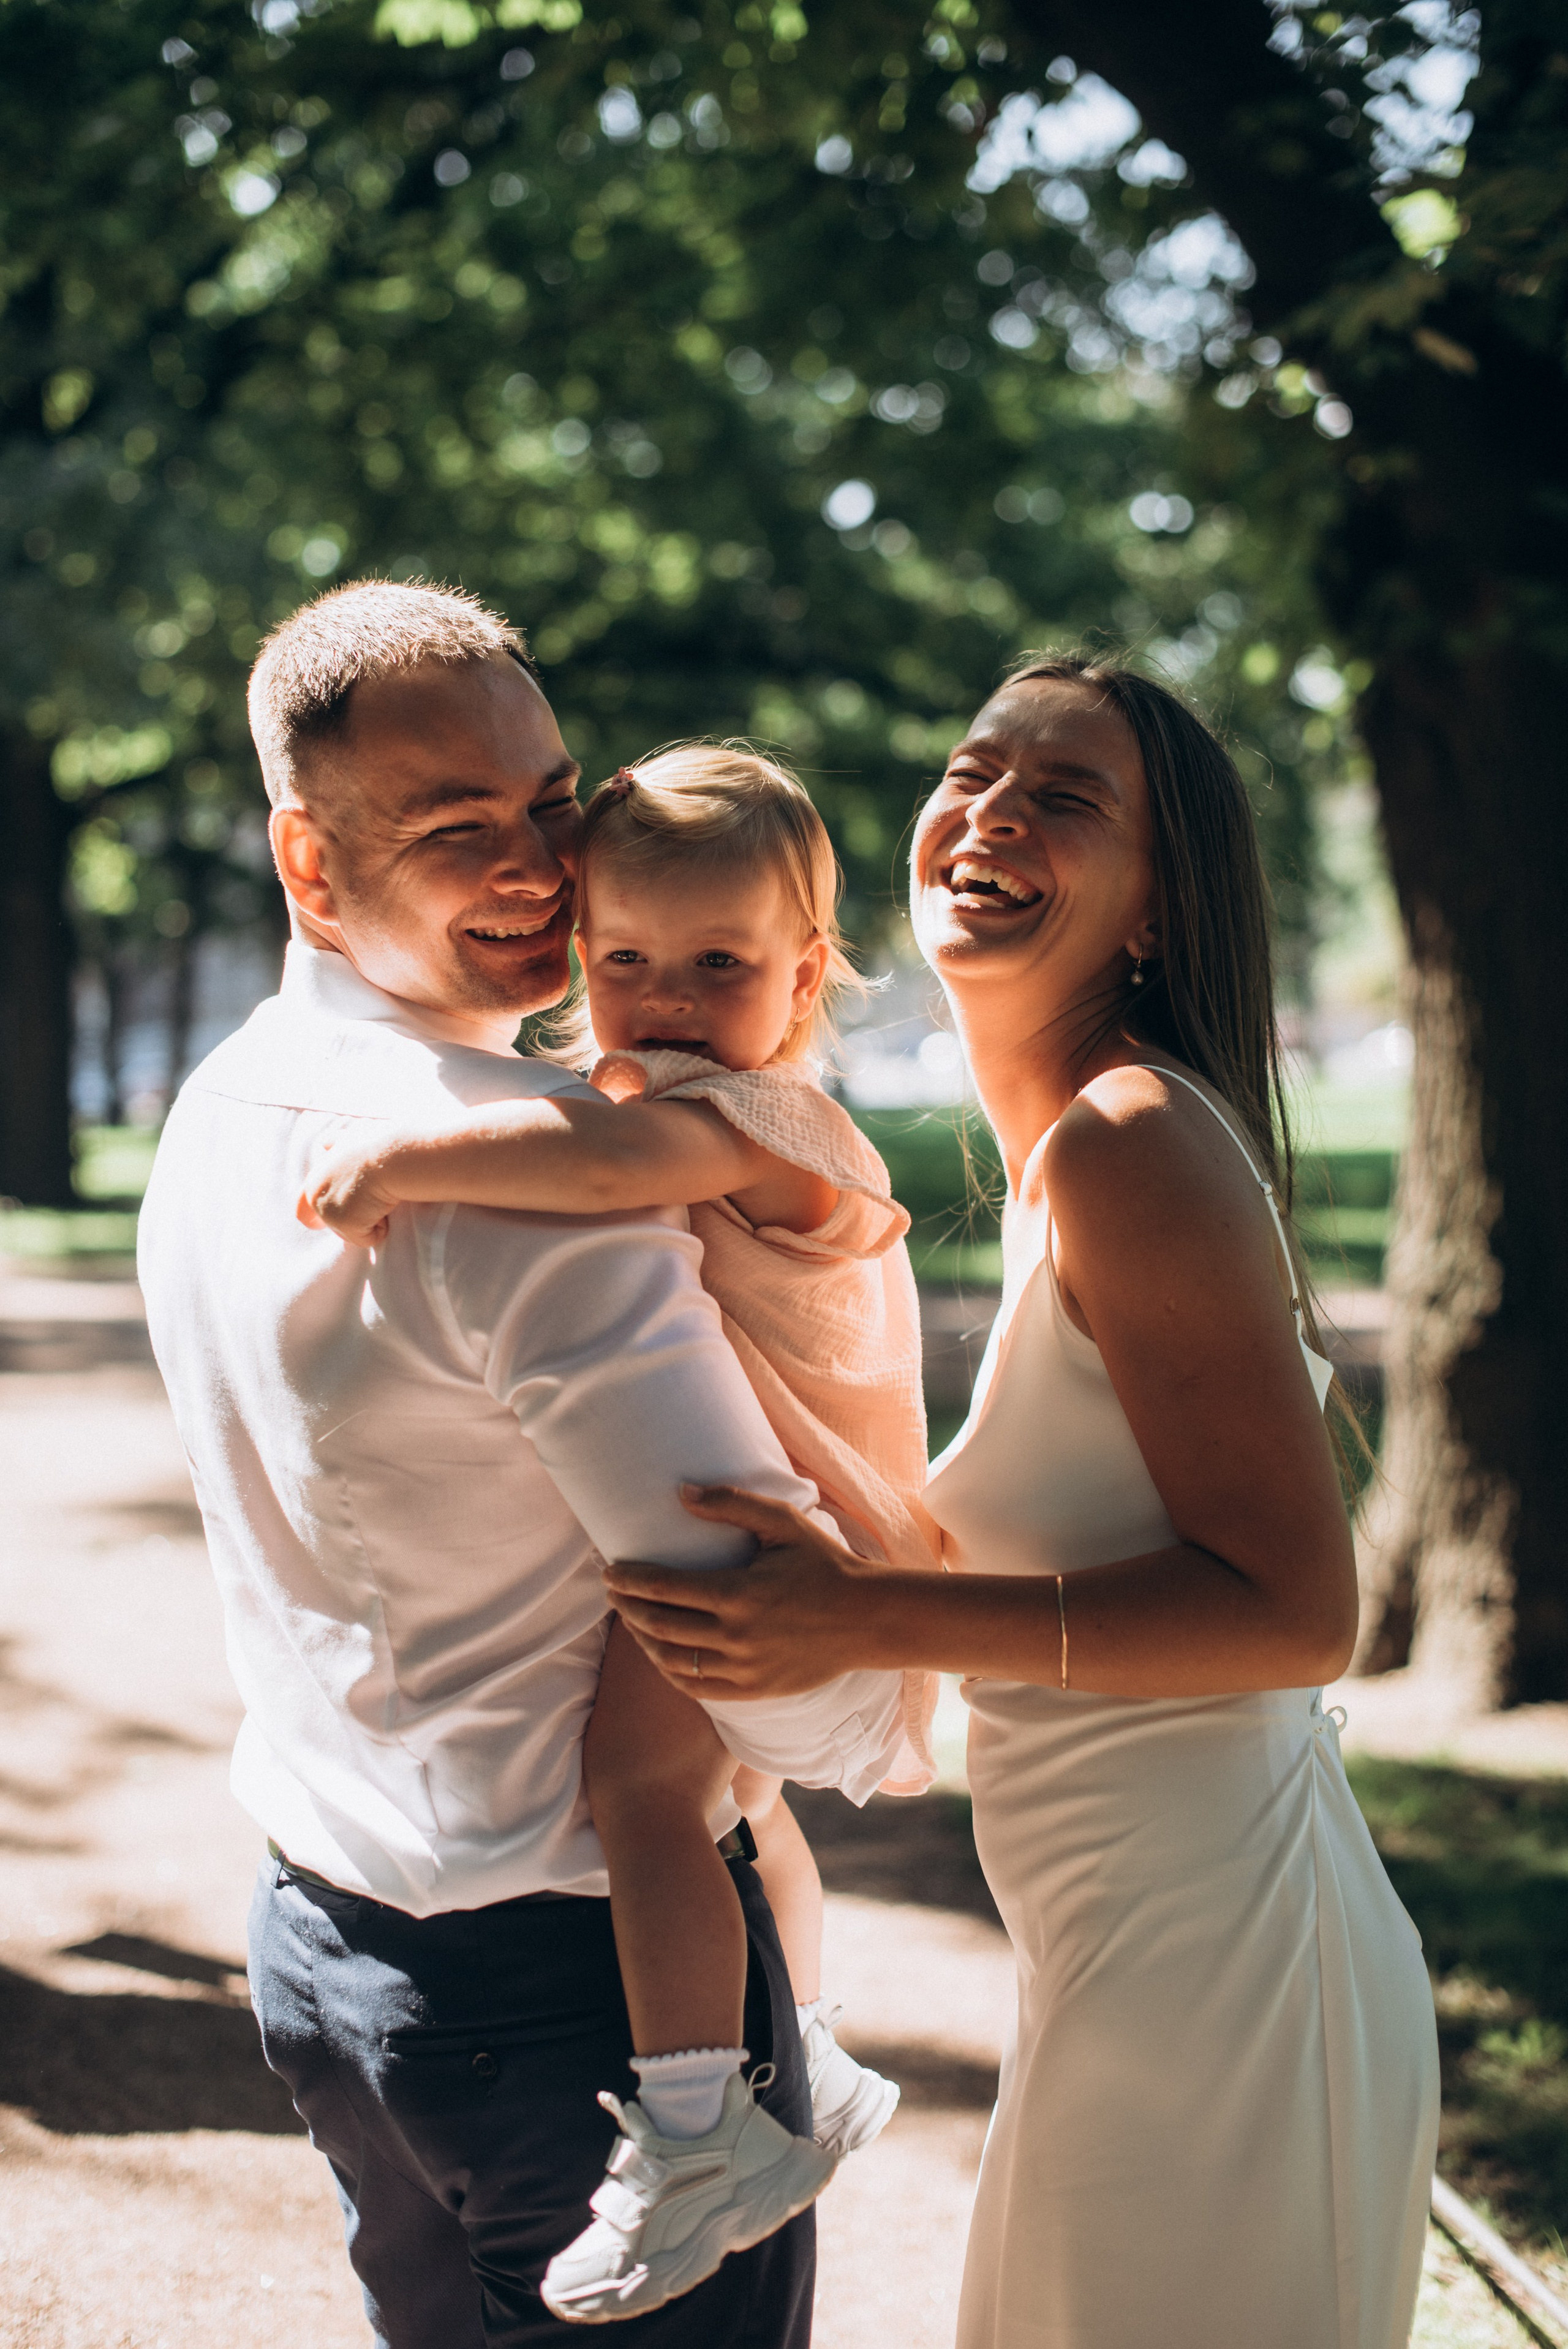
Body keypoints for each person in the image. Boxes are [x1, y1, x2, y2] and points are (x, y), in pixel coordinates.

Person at [600, 655, 1443, 2349]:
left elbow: (1296, 1610)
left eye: (1065, 798)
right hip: (1124, 1952)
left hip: (1226, 1970)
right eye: (978, 772)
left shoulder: (1134, 1138)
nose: (989, 812)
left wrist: (861, 1612)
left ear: (1152, 907)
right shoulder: (1075, 1141)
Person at [136, 579, 910, 2349]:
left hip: (323, 1949)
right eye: (458, 828)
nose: (545, 869)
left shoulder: (216, 1108)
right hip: (578, 2005)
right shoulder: (531, 1168)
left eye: (555, 802)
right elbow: (759, 1639)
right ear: (310, 863)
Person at [299, 746, 938, 2320]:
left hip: (806, 1546)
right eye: (625, 957)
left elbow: (603, 1164)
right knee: (745, 1813)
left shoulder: (761, 1116)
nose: (660, 996)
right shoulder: (689, 1083)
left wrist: (402, 1158)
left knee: (644, 1789)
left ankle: (698, 2128)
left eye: (718, 964)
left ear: (801, 982)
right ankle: (815, 2048)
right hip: (802, 1520)